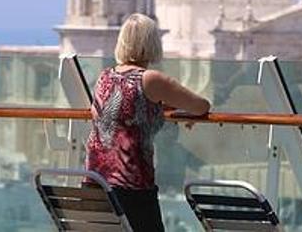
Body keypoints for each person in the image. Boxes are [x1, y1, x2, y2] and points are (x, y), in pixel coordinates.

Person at [85, 13, 211, 232]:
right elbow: (201, 106)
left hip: (95, 185)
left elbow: (117, 112)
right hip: (132, 191)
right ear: (152, 43)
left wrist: (159, 108)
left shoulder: (104, 77)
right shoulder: (150, 79)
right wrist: (178, 111)